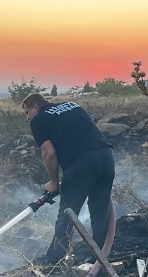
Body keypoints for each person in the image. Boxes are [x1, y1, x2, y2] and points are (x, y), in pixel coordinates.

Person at [22, 93, 116, 267]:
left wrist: (53, 181)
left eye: (27, 113)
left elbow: (48, 153)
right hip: (106, 156)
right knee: (100, 209)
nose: (27, 118)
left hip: (81, 163)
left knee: (68, 212)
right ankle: (100, 258)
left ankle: (54, 261)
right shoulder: (73, 106)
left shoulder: (39, 119)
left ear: (35, 107)